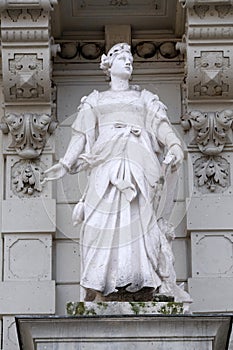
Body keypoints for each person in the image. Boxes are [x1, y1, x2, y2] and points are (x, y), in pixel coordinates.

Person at [44, 43, 191, 302]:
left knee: (137, 222)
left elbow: (161, 125)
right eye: (121, 58)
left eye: (130, 58)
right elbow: (80, 135)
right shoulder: (95, 101)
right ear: (108, 65)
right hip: (105, 169)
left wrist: (175, 144)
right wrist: (65, 164)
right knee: (99, 223)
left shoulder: (144, 99)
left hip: (138, 167)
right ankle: (99, 284)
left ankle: (140, 280)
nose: (128, 62)